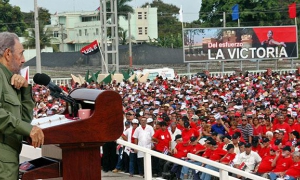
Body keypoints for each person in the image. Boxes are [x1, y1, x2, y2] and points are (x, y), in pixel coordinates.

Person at [0, 32, 44, 180]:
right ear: (7, 54)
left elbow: (25, 119)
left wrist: (25, 89)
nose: (24, 60)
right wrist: (29, 130)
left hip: (9, 160)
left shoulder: (10, 80)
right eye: (21, 54)